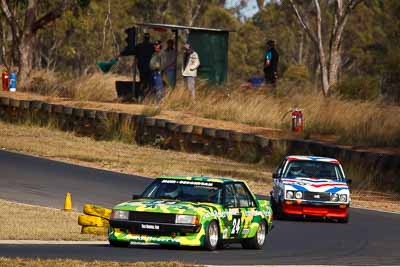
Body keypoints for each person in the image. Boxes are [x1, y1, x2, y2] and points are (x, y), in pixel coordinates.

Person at [135, 32, 154, 98]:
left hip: (142, 67)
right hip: (149, 67)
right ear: (149, 38)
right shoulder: (152, 46)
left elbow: (136, 56)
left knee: (142, 81)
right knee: (148, 82)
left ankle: (141, 95)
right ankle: (146, 96)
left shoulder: (139, 46)